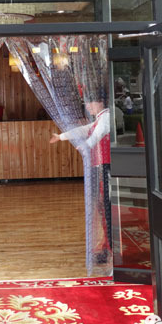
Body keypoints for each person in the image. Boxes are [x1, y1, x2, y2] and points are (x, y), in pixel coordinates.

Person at [50, 99, 111, 265]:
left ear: (101, 102)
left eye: (91, 103)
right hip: (100, 166)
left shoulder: (106, 117)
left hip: (105, 167)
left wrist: (86, 145)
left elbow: (98, 134)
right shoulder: (100, 118)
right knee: (103, 208)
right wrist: (61, 137)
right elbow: (84, 130)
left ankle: (109, 248)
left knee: (106, 208)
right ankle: (107, 247)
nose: (88, 107)